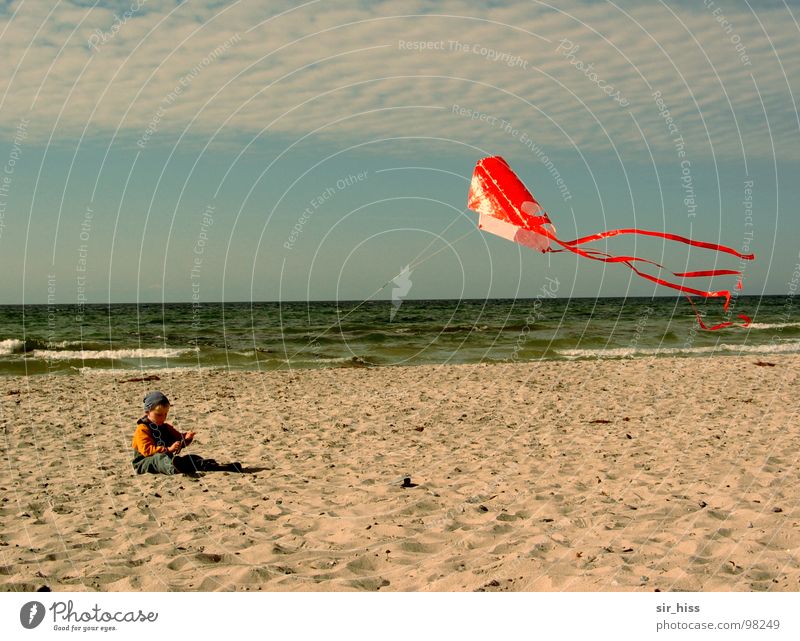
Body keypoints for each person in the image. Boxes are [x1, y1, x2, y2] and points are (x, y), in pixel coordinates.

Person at [131, 391, 240, 474]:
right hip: (144, 463)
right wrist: (168, 449)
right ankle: (174, 469)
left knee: (190, 458)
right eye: (159, 415)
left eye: (165, 414)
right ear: (147, 412)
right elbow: (147, 450)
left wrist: (186, 438)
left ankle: (214, 466)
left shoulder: (166, 427)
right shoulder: (142, 429)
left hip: (169, 459)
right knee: (158, 458)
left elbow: (178, 438)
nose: (163, 418)